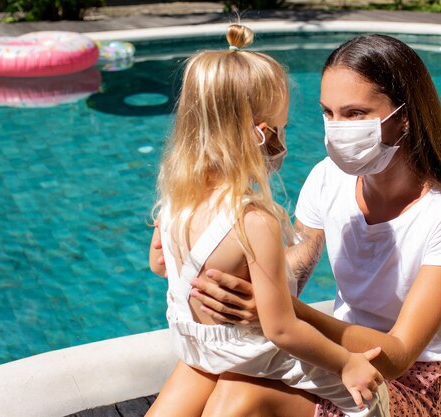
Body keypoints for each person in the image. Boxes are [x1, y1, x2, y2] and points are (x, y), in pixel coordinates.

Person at [183, 34, 441, 417]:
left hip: (404, 383)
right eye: (328, 112)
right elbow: (296, 264)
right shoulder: (327, 177)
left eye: (354, 114)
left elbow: (399, 355)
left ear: (404, 116)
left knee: (239, 397)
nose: (336, 128)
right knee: (203, 371)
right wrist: (221, 274)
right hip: (336, 355)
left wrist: (279, 312)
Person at [147, 24, 392, 417]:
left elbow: (160, 264)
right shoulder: (254, 221)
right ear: (262, 134)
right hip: (258, 358)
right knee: (370, 404)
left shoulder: (176, 202)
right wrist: (348, 363)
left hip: (200, 351)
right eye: (282, 128)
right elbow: (281, 329)